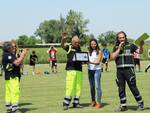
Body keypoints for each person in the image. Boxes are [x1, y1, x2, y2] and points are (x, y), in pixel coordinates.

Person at [111, 31, 144, 111]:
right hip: (119, 70)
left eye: (123, 37)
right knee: (121, 88)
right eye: (120, 38)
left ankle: (140, 103)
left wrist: (141, 45)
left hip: (129, 70)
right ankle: (123, 106)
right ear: (117, 39)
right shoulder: (115, 47)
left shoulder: (131, 45)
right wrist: (119, 48)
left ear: (125, 37)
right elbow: (113, 57)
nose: (122, 39)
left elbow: (140, 52)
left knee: (133, 87)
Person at [2, 41, 27, 113]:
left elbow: (19, 63)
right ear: (8, 48)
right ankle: (14, 108)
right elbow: (17, 63)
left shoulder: (5, 54)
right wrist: (23, 55)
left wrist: (21, 57)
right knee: (15, 92)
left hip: (9, 77)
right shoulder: (8, 55)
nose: (13, 47)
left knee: (9, 92)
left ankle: (9, 108)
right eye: (11, 46)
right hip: (12, 77)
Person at [61, 32, 83, 110]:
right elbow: (62, 45)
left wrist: (84, 61)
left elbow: (80, 57)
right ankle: (66, 104)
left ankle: (76, 103)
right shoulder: (69, 47)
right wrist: (63, 39)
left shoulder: (79, 47)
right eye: (75, 42)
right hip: (71, 69)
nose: (77, 43)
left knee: (78, 87)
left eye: (78, 42)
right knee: (70, 87)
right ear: (72, 41)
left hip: (79, 70)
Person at [88, 38, 103, 108]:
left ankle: (99, 102)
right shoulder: (88, 52)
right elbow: (86, 60)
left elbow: (98, 62)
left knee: (97, 87)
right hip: (90, 70)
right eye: (92, 44)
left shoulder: (99, 51)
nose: (93, 45)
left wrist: (90, 62)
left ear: (96, 44)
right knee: (92, 87)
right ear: (90, 45)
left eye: (94, 44)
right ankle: (93, 101)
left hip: (97, 70)